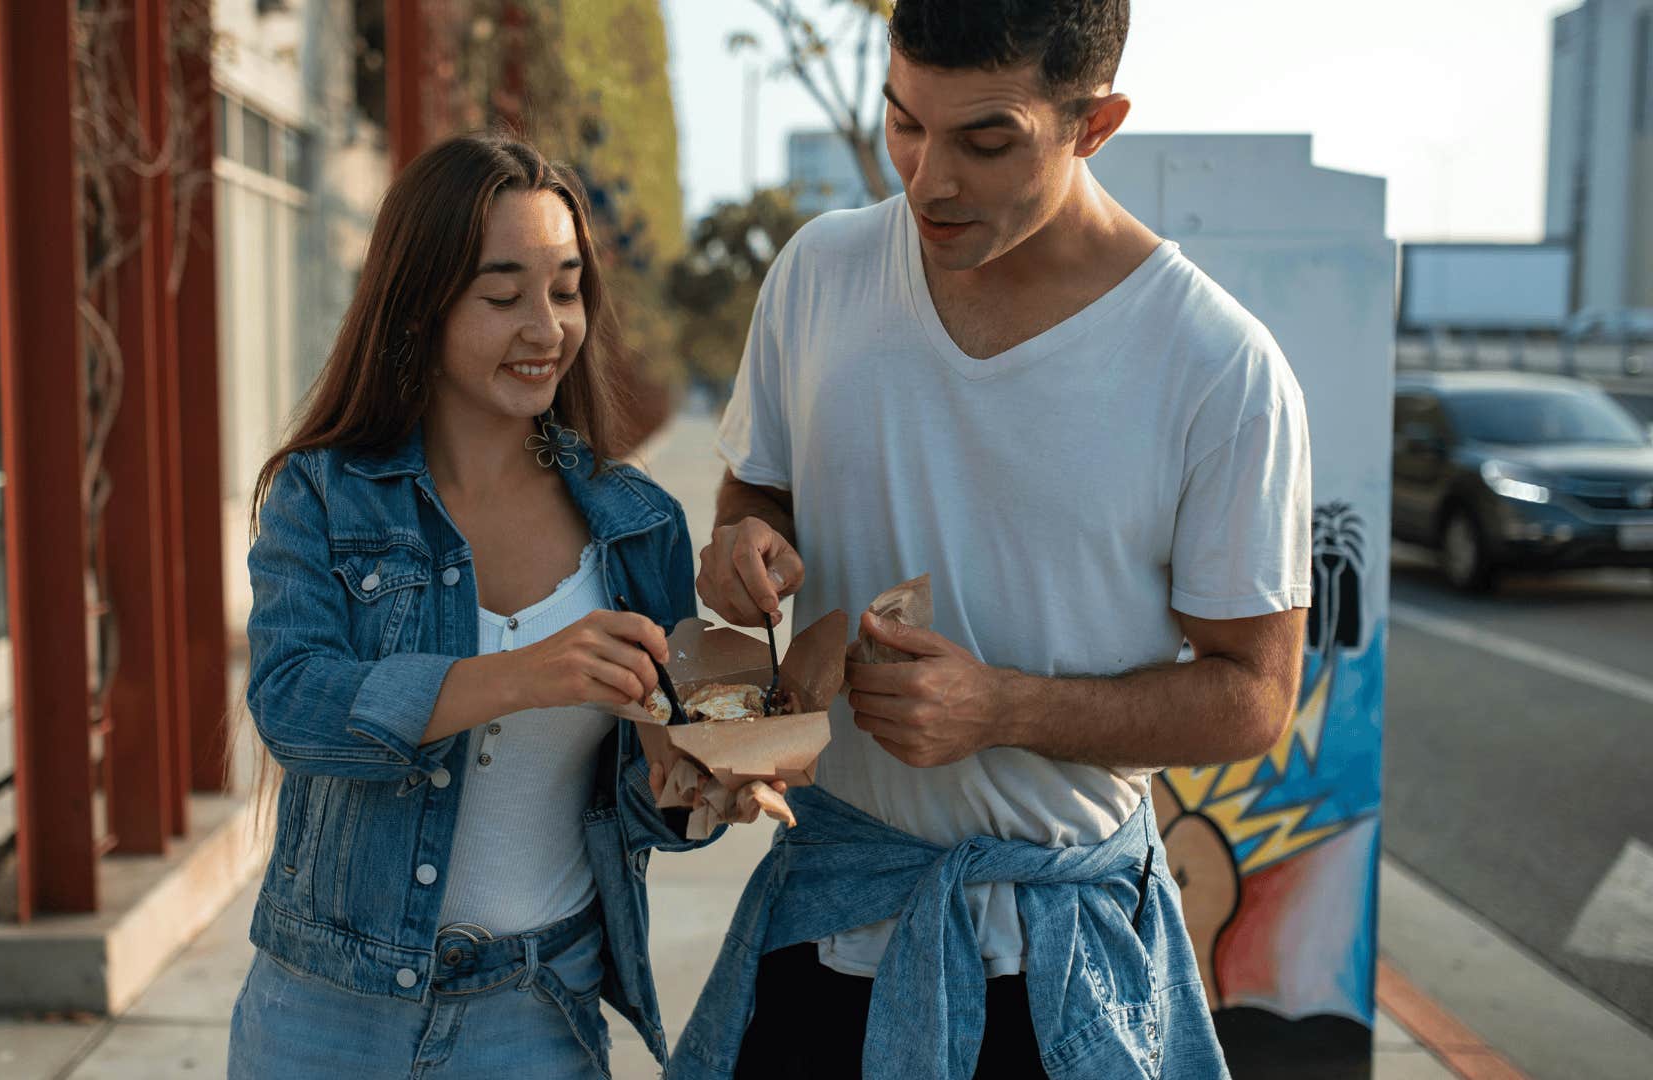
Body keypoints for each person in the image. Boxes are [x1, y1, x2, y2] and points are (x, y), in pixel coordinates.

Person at [673, 2, 1311, 1078]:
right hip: (826, 915)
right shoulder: (820, 273)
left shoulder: (1216, 367)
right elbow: (755, 496)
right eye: (904, 122)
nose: (928, 179)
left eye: (985, 140)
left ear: (1094, 125)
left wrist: (1003, 708)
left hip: (1057, 969)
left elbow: (1254, 693)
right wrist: (744, 547)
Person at [227, 132, 759, 1079]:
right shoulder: (323, 495)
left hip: (534, 1015)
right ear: (420, 304)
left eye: (565, 290)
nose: (547, 328)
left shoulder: (638, 527)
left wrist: (709, 786)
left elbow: (648, 794)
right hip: (326, 1016)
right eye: (503, 294)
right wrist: (519, 676)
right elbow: (295, 707)